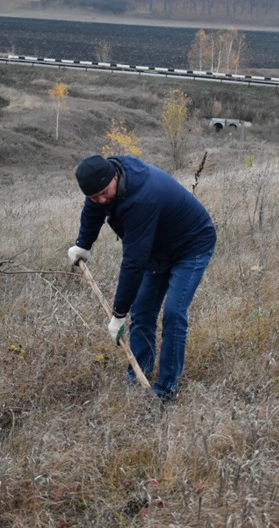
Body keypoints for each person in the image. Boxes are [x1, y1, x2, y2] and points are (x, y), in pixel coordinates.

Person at [67, 154, 216, 402]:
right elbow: (94, 210)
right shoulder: (103, 187)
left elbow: (134, 262)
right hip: (158, 250)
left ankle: (166, 390)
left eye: (104, 192)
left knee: (173, 314)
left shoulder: (142, 197)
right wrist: (83, 245)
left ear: (115, 177)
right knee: (143, 312)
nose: (102, 199)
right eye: (95, 196)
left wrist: (118, 313)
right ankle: (138, 377)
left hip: (192, 245)